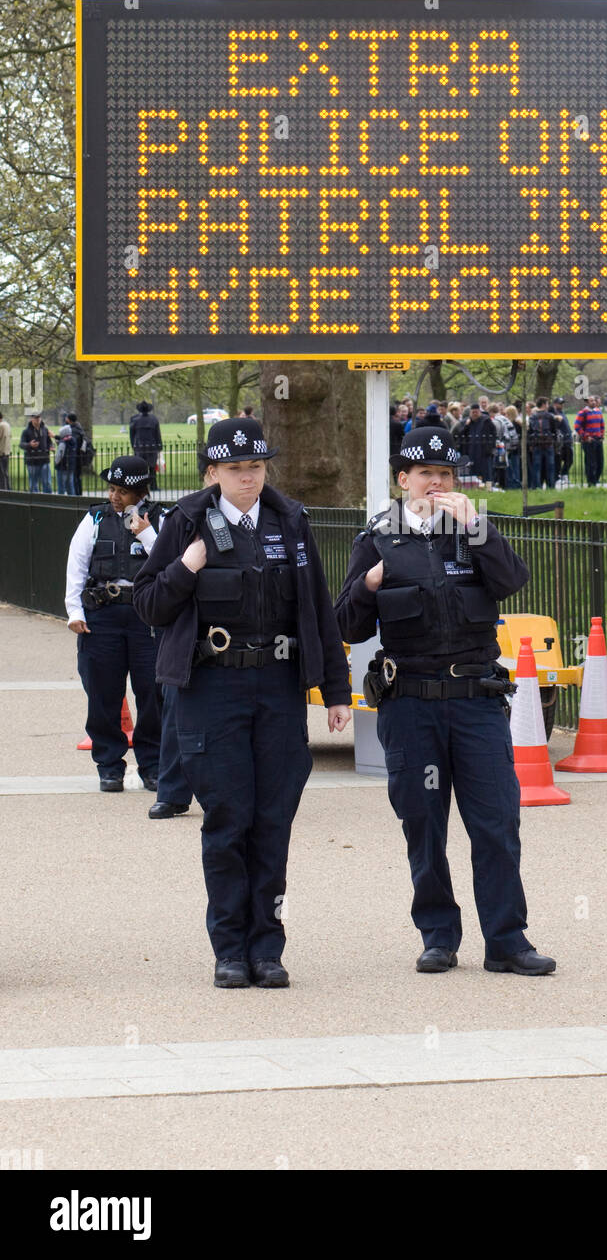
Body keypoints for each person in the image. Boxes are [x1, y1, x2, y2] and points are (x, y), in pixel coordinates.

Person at [132, 417, 351, 989]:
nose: (247, 478)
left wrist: (335, 691)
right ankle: (229, 949)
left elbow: (318, 609)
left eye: (255, 466)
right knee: (228, 822)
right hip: (212, 691)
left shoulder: (290, 520)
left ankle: (268, 950)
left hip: (277, 689)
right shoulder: (183, 521)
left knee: (273, 823)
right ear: (213, 472)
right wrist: (188, 566)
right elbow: (149, 605)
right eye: (235, 468)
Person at [335, 425, 555, 977]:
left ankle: (507, 940)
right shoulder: (377, 538)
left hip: (476, 699)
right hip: (410, 704)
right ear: (403, 479)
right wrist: (369, 584)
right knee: (423, 823)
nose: (437, 483)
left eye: (447, 475)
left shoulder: (472, 531)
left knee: (497, 822)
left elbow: (513, 581)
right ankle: (438, 936)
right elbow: (346, 623)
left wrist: (477, 528)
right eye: (426, 474)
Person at [65, 455, 164, 791]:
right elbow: (76, 566)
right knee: (103, 693)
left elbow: (172, 562)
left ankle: (153, 764)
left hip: (146, 618)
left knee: (153, 693)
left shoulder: (161, 518)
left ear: (140, 492)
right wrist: (75, 612)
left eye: (122, 491)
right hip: (102, 617)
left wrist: (148, 534)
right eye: (111, 489)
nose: (114, 496)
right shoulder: (94, 518)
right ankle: (109, 764)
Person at [456, 403, 496, 485]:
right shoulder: (467, 422)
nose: (474, 414)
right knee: (472, 470)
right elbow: (460, 434)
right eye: (473, 412)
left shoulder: (486, 421)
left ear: (479, 412)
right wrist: (466, 426)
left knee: (485, 471)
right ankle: (474, 486)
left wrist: (490, 448)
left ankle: (487, 486)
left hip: (483, 450)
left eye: (476, 412)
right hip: (471, 450)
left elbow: (493, 434)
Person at [574, 396, 605, 486]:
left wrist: (602, 435)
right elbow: (577, 426)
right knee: (591, 463)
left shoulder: (598, 411)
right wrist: (585, 436)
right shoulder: (583, 413)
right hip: (589, 441)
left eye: (594, 401)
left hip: (598, 439)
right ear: (587, 402)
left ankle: (596, 479)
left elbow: (602, 425)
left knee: (600, 462)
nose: (594, 402)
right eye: (591, 401)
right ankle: (591, 482)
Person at [20, 411, 54, 492]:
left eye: (39, 417)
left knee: (47, 482)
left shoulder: (45, 429)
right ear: (31, 419)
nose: (38, 419)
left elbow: (49, 441)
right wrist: (29, 445)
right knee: (33, 484)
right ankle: (35, 501)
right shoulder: (26, 431)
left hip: (45, 460)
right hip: (32, 461)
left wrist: (51, 446)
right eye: (35, 418)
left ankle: (48, 501)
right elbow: (21, 444)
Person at [528, 397, 557, 489]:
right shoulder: (550, 416)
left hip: (537, 443)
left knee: (536, 467)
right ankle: (551, 486)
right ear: (544, 404)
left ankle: (537, 485)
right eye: (547, 403)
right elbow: (554, 430)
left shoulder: (532, 417)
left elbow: (530, 430)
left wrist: (531, 444)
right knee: (550, 467)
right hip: (548, 443)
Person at [129, 400, 162, 479]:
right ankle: (153, 485)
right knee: (152, 467)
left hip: (139, 446)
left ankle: (141, 485)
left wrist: (133, 445)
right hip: (152, 446)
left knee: (140, 467)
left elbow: (132, 435)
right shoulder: (153, 419)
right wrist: (159, 446)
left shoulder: (134, 420)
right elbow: (157, 434)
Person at [551, 397, 574, 486]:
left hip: (568, 439)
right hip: (561, 441)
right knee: (559, 460)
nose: (561, 405)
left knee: (569, 459)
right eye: (560, 403)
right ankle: (558, 477)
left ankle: (564, 474)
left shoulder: (562, 413)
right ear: (555, 404)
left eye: (562, 403)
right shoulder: (554, 414)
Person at [0, 408, 11, 489]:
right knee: (5, 474)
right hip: (6, 453)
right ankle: (8, 491)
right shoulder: (7, 425)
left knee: (1, 475)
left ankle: (3, 493)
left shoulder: (1, 426)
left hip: (1, 453)